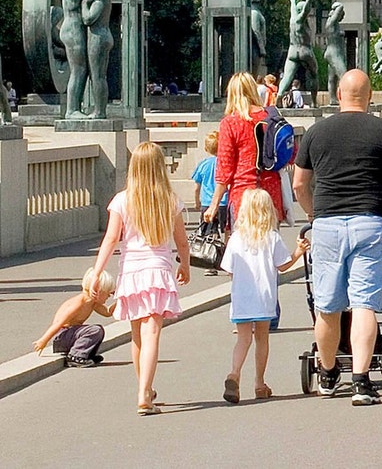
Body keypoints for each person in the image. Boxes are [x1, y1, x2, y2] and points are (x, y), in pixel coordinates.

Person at [292, 69, 382, 406]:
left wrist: (312, 213)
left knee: (327, 306)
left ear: (338, 94)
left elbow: (299, 184)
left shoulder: (316, 133)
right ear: (370, 96)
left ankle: (328, 372)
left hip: (328, 225)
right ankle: (362, 381)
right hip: (369, 222)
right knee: (365, 303)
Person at [89, 141, 190, 414]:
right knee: (152, 331)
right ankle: (145, 392)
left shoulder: (122, 200)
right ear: (160, 167)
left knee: (137, 334)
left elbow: (111, 239)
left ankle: (143, 387)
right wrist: (186, 266)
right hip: (158, 268)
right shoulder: (169, 199)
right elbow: (181, 241)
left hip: (131, 270)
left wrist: (97, 271)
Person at [220, 188, 307, 403]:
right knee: (262, 338)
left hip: (241, 297)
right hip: (264, 296)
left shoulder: (236, 239)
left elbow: (229, 270)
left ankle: (234, 373)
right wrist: (298, 252)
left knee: (243, 339)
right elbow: (283, 265)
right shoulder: (272, 238)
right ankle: (259, 383)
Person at [207, 72, 287, 228]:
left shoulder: (230, 123)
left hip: (242, 195)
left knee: (241, 248)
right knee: (270, 247)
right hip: (270, 195)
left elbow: (225, 170)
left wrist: (214, 205)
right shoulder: (272, 118)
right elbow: (290, 154)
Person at [31, 269, 115, 367]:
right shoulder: (78, 303)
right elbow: (58, 323)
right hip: (62, 336)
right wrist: (43, 340)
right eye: (107, 292)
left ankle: (85, 354)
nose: (109, 295)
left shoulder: (93, 303)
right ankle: (75, 356)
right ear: (97, 291)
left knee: (98, 330)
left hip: (71, 335)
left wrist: (121, 301)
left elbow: (108, 312)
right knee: (95, 330)